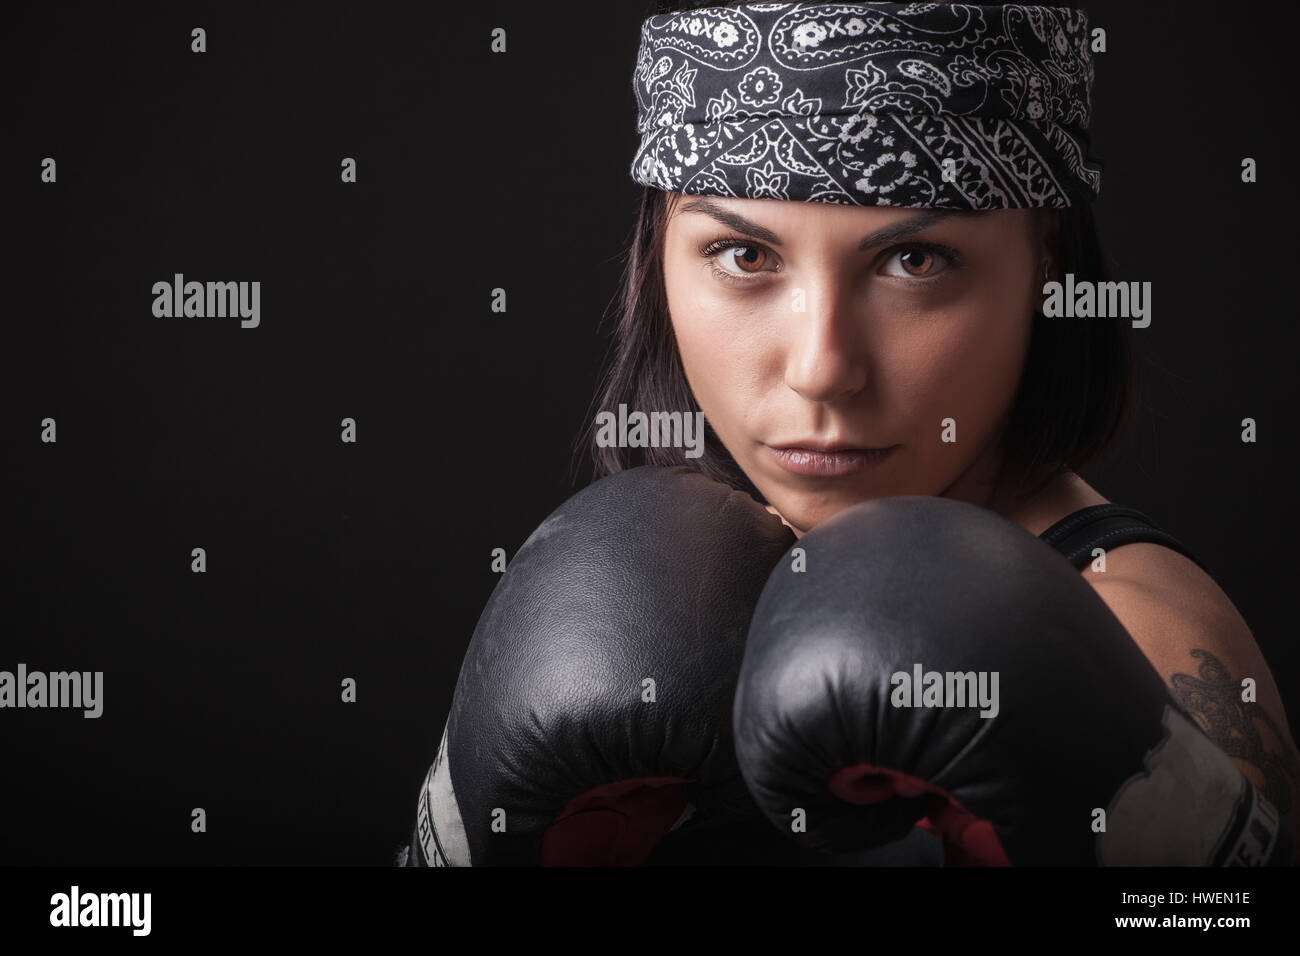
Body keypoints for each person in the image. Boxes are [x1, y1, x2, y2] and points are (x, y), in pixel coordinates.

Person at [399, 1, 1298, 865]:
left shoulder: (1135, 638)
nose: (822, 367)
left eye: (915, 260)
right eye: (745, 255)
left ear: (1046, 261)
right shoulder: (617, 607)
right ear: (657, 255)